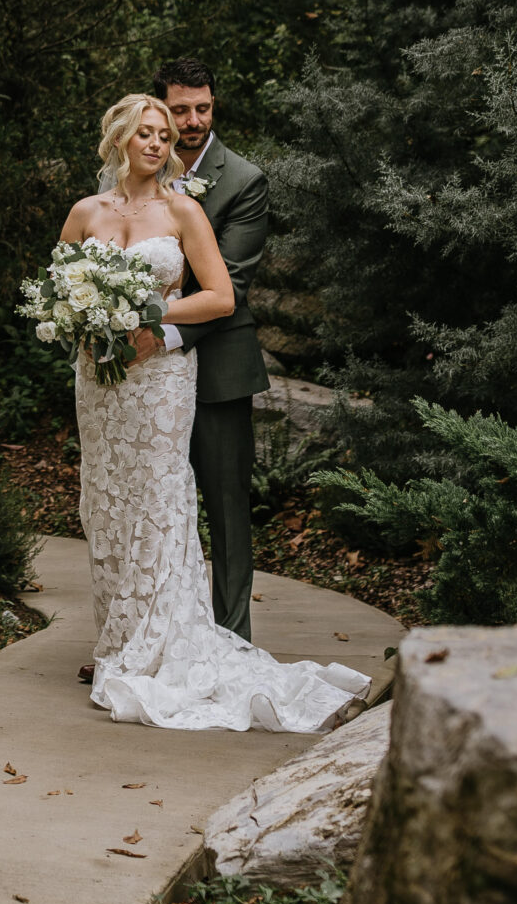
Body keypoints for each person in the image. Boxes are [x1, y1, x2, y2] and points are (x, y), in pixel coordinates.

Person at [58, 90, 365, 731]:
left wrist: (148, 314)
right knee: (108, 501)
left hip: (161, 379)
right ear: (118, 138)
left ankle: (164, 644)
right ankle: (117, 639)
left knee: (159, 498)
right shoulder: (85, 212)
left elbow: (221, 298)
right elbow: (61, 294)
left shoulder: (183, 210)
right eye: (146, 133)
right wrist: (83, 323)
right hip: (99, 383)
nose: (157, 144)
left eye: (164, 136)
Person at [156, 57, 270, 642]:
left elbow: (230, 283)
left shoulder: (244, 180)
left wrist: (158, 332)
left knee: (225, 509)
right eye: (180, 110)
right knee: (150, 506)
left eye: (202, 108)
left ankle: (232, 638)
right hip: (142, 377)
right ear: (161, 109)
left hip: (218, 367)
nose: (193, 120)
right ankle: (150, 637)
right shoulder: (132, 173)